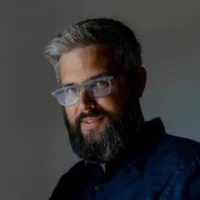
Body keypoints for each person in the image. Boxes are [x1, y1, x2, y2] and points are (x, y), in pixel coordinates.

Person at [44, 18, 200, 200]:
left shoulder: (190, 173)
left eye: (99, 84)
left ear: (137, 82)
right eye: (71, 89)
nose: (84, 104)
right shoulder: (70, 186)